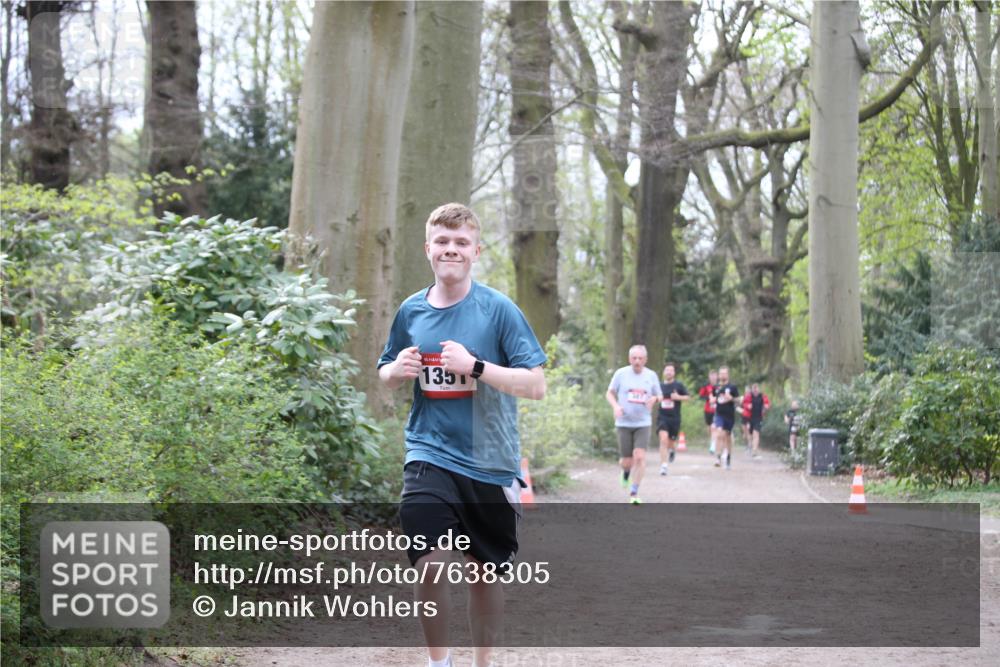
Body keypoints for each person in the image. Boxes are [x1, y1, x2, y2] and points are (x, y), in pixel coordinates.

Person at [377, 203, 547, 667]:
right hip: (428, 453)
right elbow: (386, 373)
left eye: (461, 243)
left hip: (490, 459)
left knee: (483, 574)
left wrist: (475, 366)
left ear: (476, 251)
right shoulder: (411, 310)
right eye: (442, 242)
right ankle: (439, 663)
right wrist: (397, 369)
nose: (451, 250)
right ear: (428, 248)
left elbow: (535, 385)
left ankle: (483, 663)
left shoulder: (498, 310)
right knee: (428, 560)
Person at [606, 345, 662, 504]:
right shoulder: (621, 374)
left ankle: (634, 492)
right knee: (626, 461)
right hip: (623, 423)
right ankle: (625, 473)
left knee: (640, 456)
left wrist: (655, 399)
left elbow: (660, 395)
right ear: (629, 359)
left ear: (645, 359)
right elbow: (609, 393)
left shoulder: (651, 375)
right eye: (634, 358)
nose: (637, 361)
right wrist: (616, 406)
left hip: (643, 423)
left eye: (640, 358)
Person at [657, 362, 690, 475]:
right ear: (664, 372)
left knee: (671, 441)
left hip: (674, 418)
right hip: (662, 417)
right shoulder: (659, 386)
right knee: (663, 439)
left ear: (674, 373)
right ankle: (664, 466)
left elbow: (688, 397)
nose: (669, 372)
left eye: (671, 370)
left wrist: (678, 397)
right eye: (667, 370)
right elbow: (653, 396)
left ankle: (672, 450)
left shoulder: (678, 385)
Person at [712, 366, 740, 469]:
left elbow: (738, 400)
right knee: (719, 433)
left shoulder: (732, 387)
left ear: (728, 375)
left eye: (725, 373)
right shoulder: (716, 387)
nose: (723, 375)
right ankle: (718, 457)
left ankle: (728, 457)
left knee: (727, 437)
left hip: (729, 415)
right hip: (719, 414)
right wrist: (712, 400)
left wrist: (731, 398)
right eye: (721, 373)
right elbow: (713, 397)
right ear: (719, 375)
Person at [747, 383, 771, 458]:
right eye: (754, 389)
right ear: (752, 390)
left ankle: (754, 450)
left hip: (758, 418)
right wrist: (747, 406)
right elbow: (744, 403)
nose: (755, 390)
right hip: (749, 417)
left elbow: (767, 404)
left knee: (756, 433)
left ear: (758, 389)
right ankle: (750, 445)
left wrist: (766, 407)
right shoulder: (749, 396)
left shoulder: (762, 396)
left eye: (756, 388)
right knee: (750, 433)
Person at [698, 370, 718, 454]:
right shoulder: (706, 385)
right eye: (711, 376)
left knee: (714, 427)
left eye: (714, 376)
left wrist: (716, 399)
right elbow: (701, 396)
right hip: (708, 410)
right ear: (709, 377)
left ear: (717, 376)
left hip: (717, 410)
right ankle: (712, 442)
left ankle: (713, 446)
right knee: (710, 428)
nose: (713, 377)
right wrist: (708, 399)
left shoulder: (720, 386)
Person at [740, 386, 753, 452]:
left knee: (748, 430)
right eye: (746, 390)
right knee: (744, 432)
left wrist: (750, 406)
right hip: (744, 416)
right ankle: (747, 444)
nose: (747, 391)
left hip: (750, 416)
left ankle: (750, 445)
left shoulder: (752, 397)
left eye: (748, 390)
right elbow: (740, 405)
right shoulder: (743, 397)